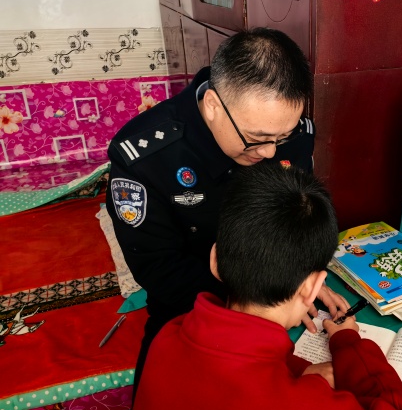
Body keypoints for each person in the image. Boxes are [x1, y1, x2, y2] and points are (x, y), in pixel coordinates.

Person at [105, 28, 348, 391]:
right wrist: (269, 298)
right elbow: (159, 272)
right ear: (213, 106)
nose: (270, 152)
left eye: (280, 138)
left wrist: (304, 277)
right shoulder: (145, 157)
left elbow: (296, 221)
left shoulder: (289, 133)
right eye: (257, 139)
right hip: (189, 310)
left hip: (283, 304)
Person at [129, 163, 402, 410]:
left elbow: (236, 369)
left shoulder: (167, 337)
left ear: (215, 259)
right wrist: (348, 343)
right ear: (313, 287)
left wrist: (302, 371)